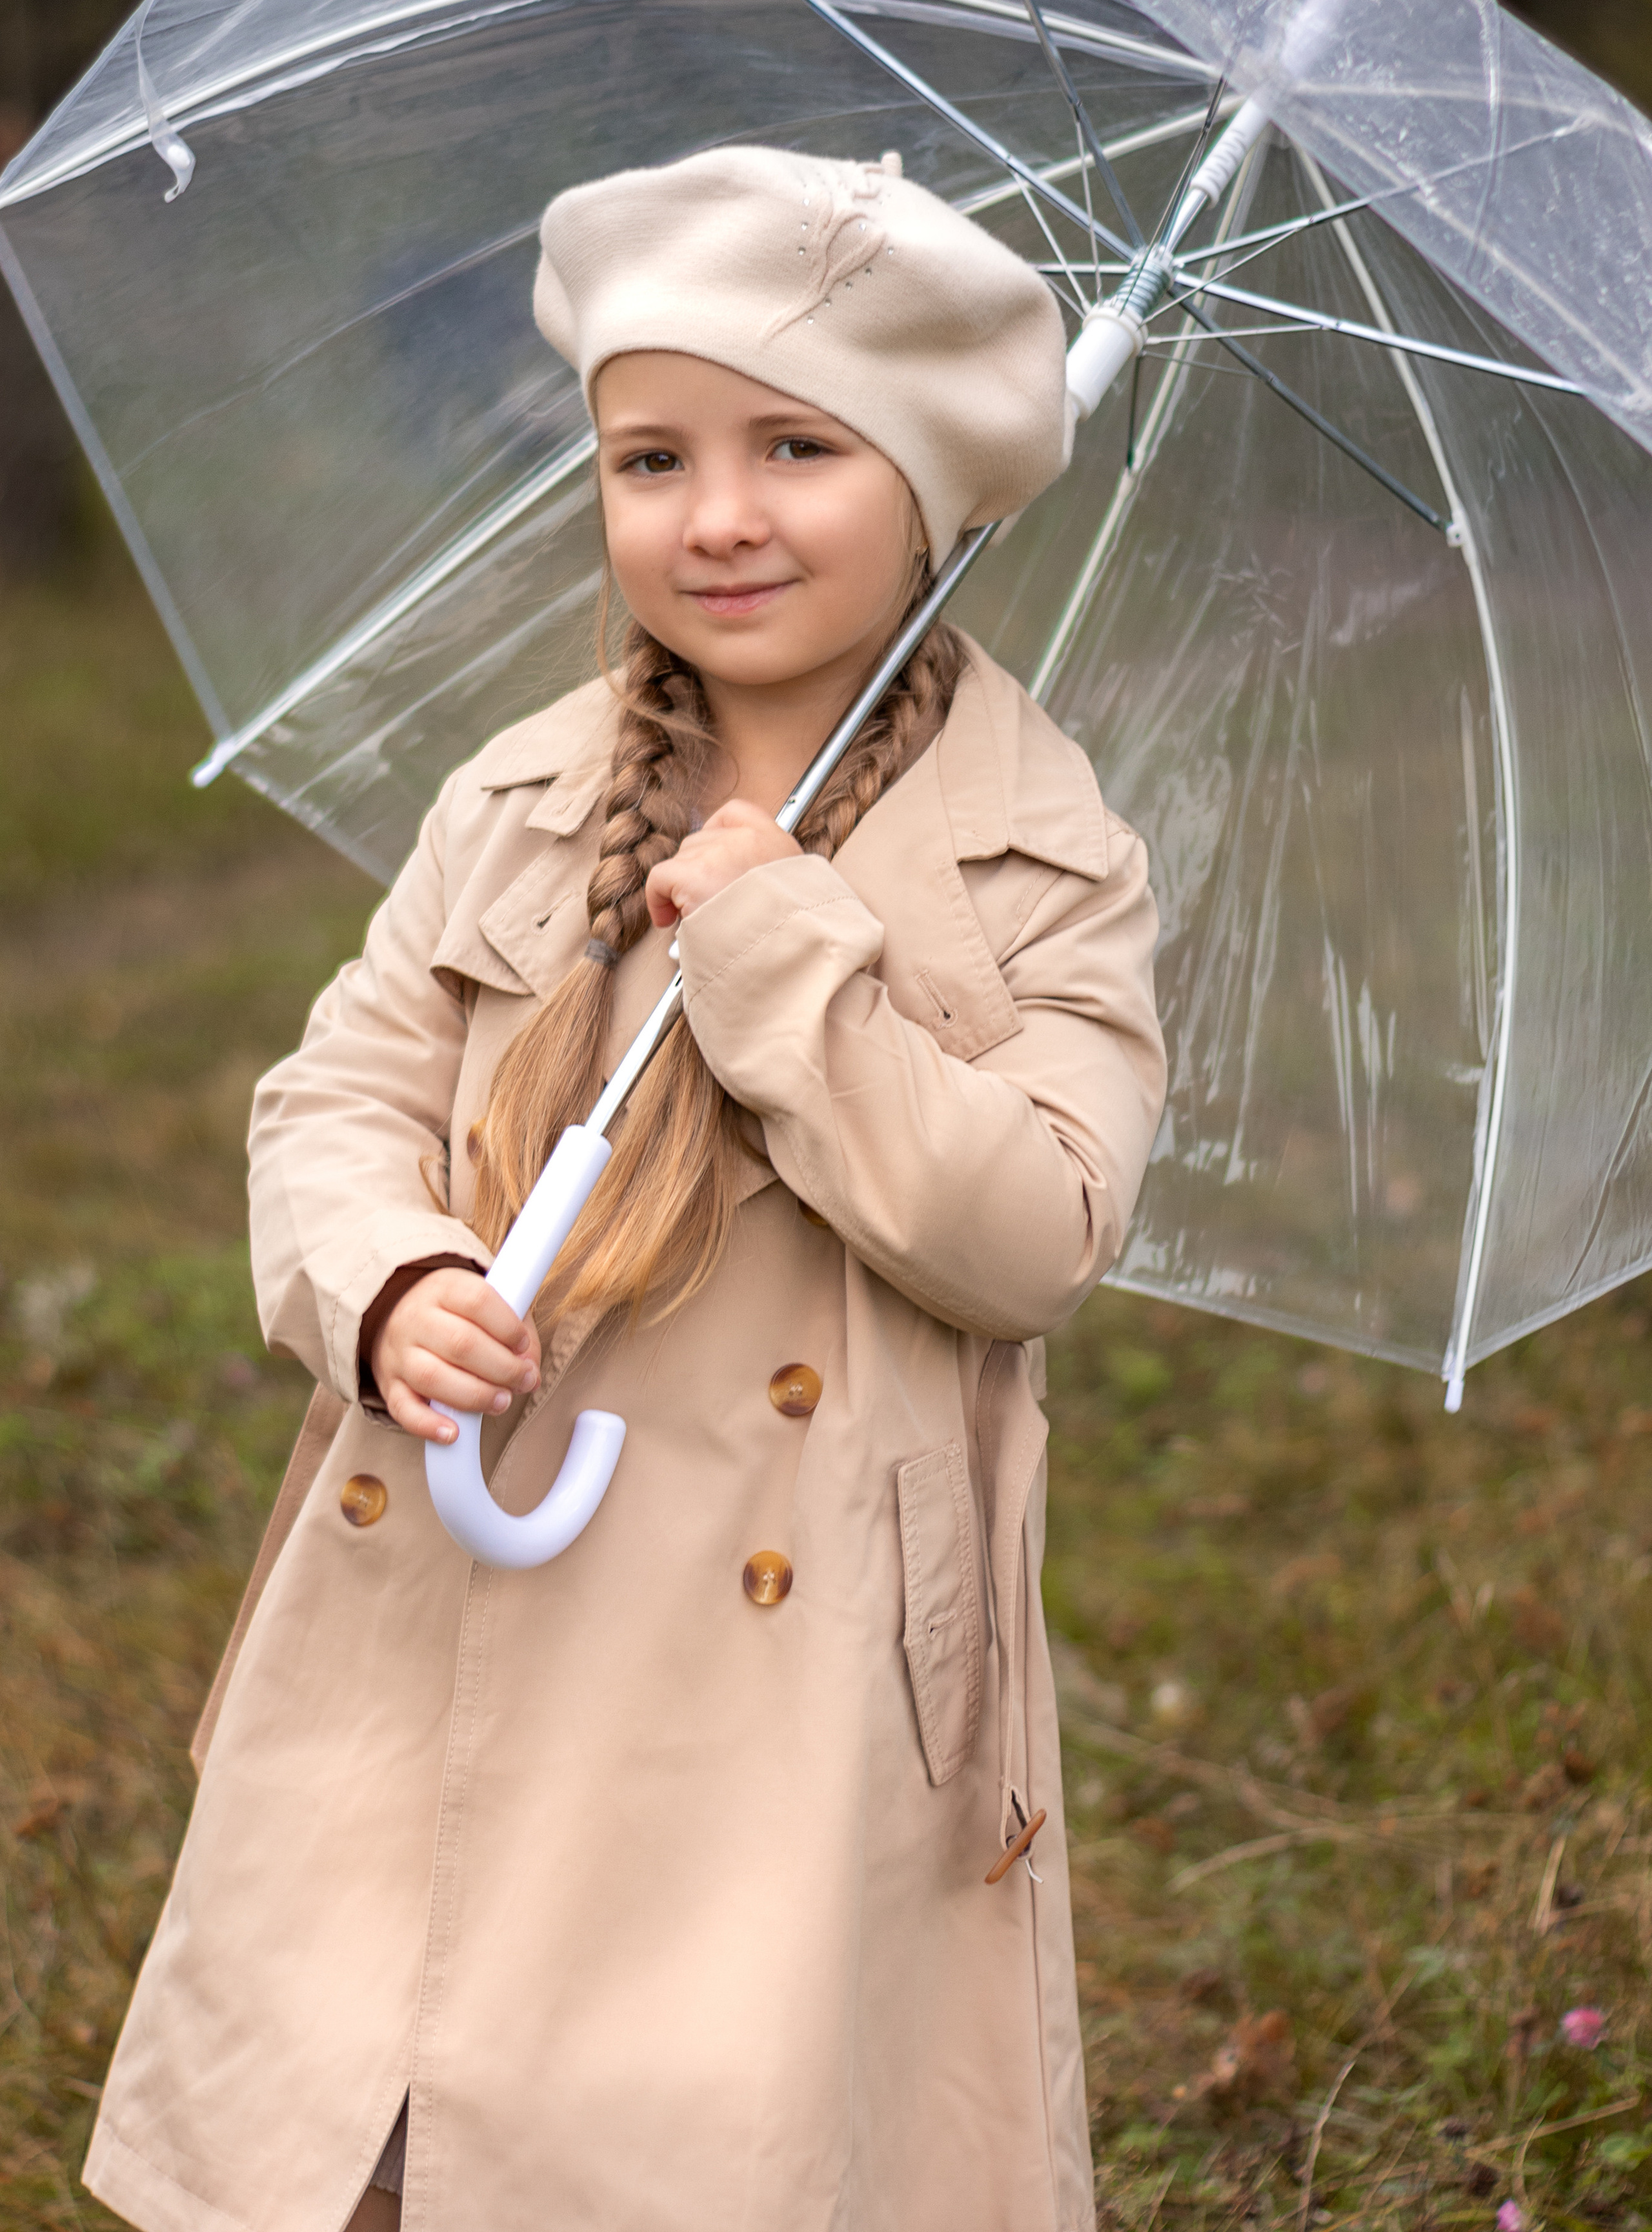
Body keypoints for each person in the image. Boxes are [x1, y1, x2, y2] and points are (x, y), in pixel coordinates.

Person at [84, 145, 1166, 2232]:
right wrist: (392, 1284)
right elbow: (336, 1098)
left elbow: (1033, 1231)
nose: (720, 515)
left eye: (798, 447)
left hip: (785, 1672)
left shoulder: (1047, 861)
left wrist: (781, 966)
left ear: (939, 486)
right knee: (397, 2118)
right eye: (650, 454)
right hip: (458, 1584)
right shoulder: (519, 797)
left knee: (697, 2146)